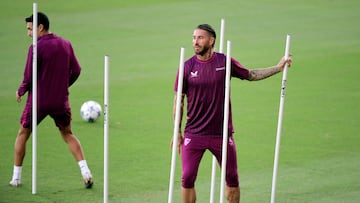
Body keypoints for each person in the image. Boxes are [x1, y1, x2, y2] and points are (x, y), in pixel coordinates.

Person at [171, 24, 292, 203]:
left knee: (232, 179)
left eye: (200, 38)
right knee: (187, 178)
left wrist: (277, 68)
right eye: (194, 38)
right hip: (194, 133)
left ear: (211, 41)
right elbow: (178, 101)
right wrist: (177, 131)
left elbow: (251, 74)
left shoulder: (224, 62)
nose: (195, 42)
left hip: (221, 134)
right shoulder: (187, 67)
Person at [9, 12, 93, 189]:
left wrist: (21, 90)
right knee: (68, 134)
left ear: (40, 27)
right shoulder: (65, 44)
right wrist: (63, 85)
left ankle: (16, 178)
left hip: (38, 102)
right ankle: (86, 172)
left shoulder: (35, 48)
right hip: (60, 101)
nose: (28, 34)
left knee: (23, 134)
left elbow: (28, 76)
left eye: (30, 29)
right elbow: (77, 70)